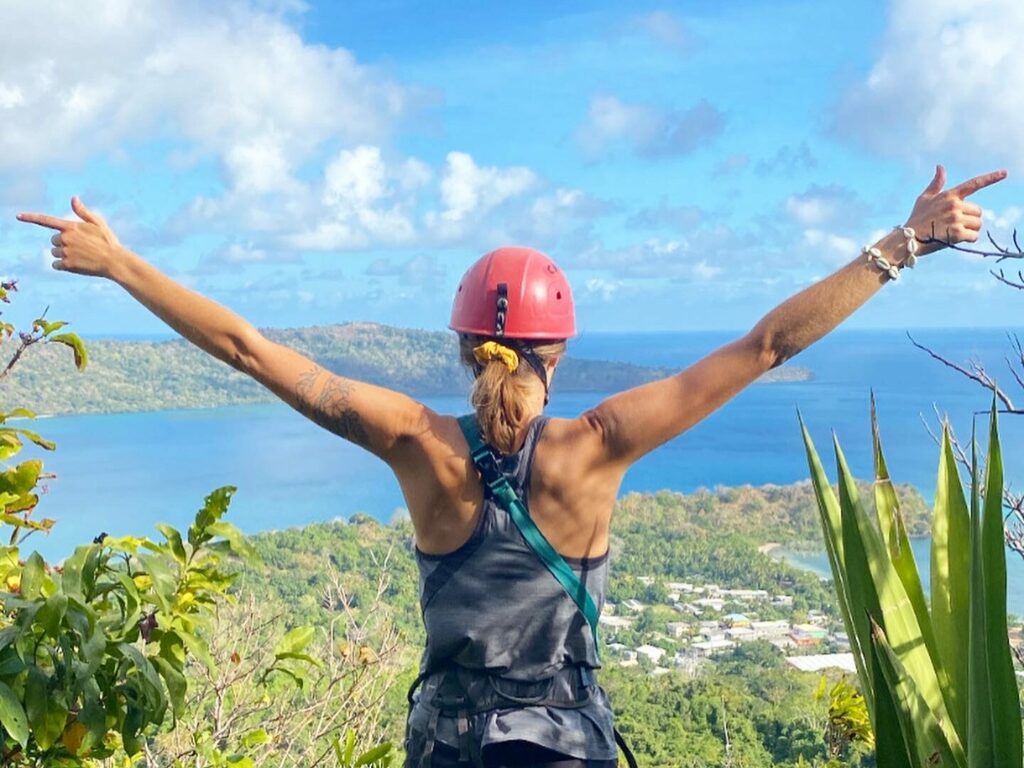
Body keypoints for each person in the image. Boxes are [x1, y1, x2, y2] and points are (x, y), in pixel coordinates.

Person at [17, 163, 1006, 767]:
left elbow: (245, 349)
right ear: (560, 348)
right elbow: (763, 349)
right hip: (564, 748)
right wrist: (902, 243)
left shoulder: (414, 442)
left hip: (445, 748)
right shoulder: (599, 446)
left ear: (457, 344)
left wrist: (121, 262)